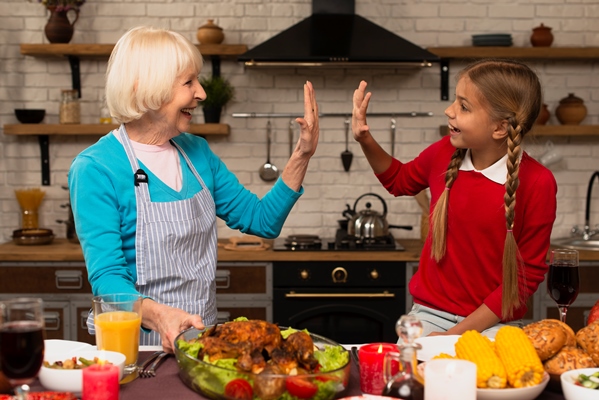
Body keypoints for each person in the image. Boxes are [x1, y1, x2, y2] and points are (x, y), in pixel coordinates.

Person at [68, 26, 320, 352]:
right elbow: (108, 280)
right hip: (135, 351)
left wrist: (302, 154)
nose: (201, 93)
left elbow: (262, 221)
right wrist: (161, 318)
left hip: (201, 345)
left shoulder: (197, 153)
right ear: (147, 89)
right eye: (189, 83)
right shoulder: (96, 168)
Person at [351, 59, 557, 338]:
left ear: (500, 128)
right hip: (428, 315)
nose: (449, 111)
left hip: (494, 324)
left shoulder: (538, 183)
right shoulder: (443, 153)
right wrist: (365, 139)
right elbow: (399, 181)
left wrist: (456, 336)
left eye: (463, 106)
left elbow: (526, 277)